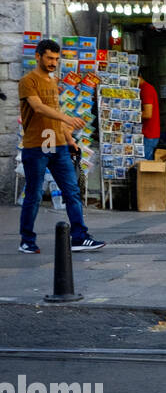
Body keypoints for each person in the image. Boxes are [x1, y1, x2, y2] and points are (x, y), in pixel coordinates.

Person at [17, 39, 106, 254]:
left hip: (57, 144)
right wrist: (67, 119)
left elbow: (54, 114)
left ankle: (79, 237)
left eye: (56, 59)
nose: (53, 62)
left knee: (72, 191)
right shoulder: (28, 81)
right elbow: (38, 108)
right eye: (49, 58)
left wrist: (69, 139)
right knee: (34, 194)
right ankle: (27, 240)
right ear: (38, 56)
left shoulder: (53, 81)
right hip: (37, 145)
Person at [140, 75, 161, 160]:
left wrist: (131, 115)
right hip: (148, 134)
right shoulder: (144, 88)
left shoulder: (146, 89)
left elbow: (148, 114)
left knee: (145, 165)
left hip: (148, 134)